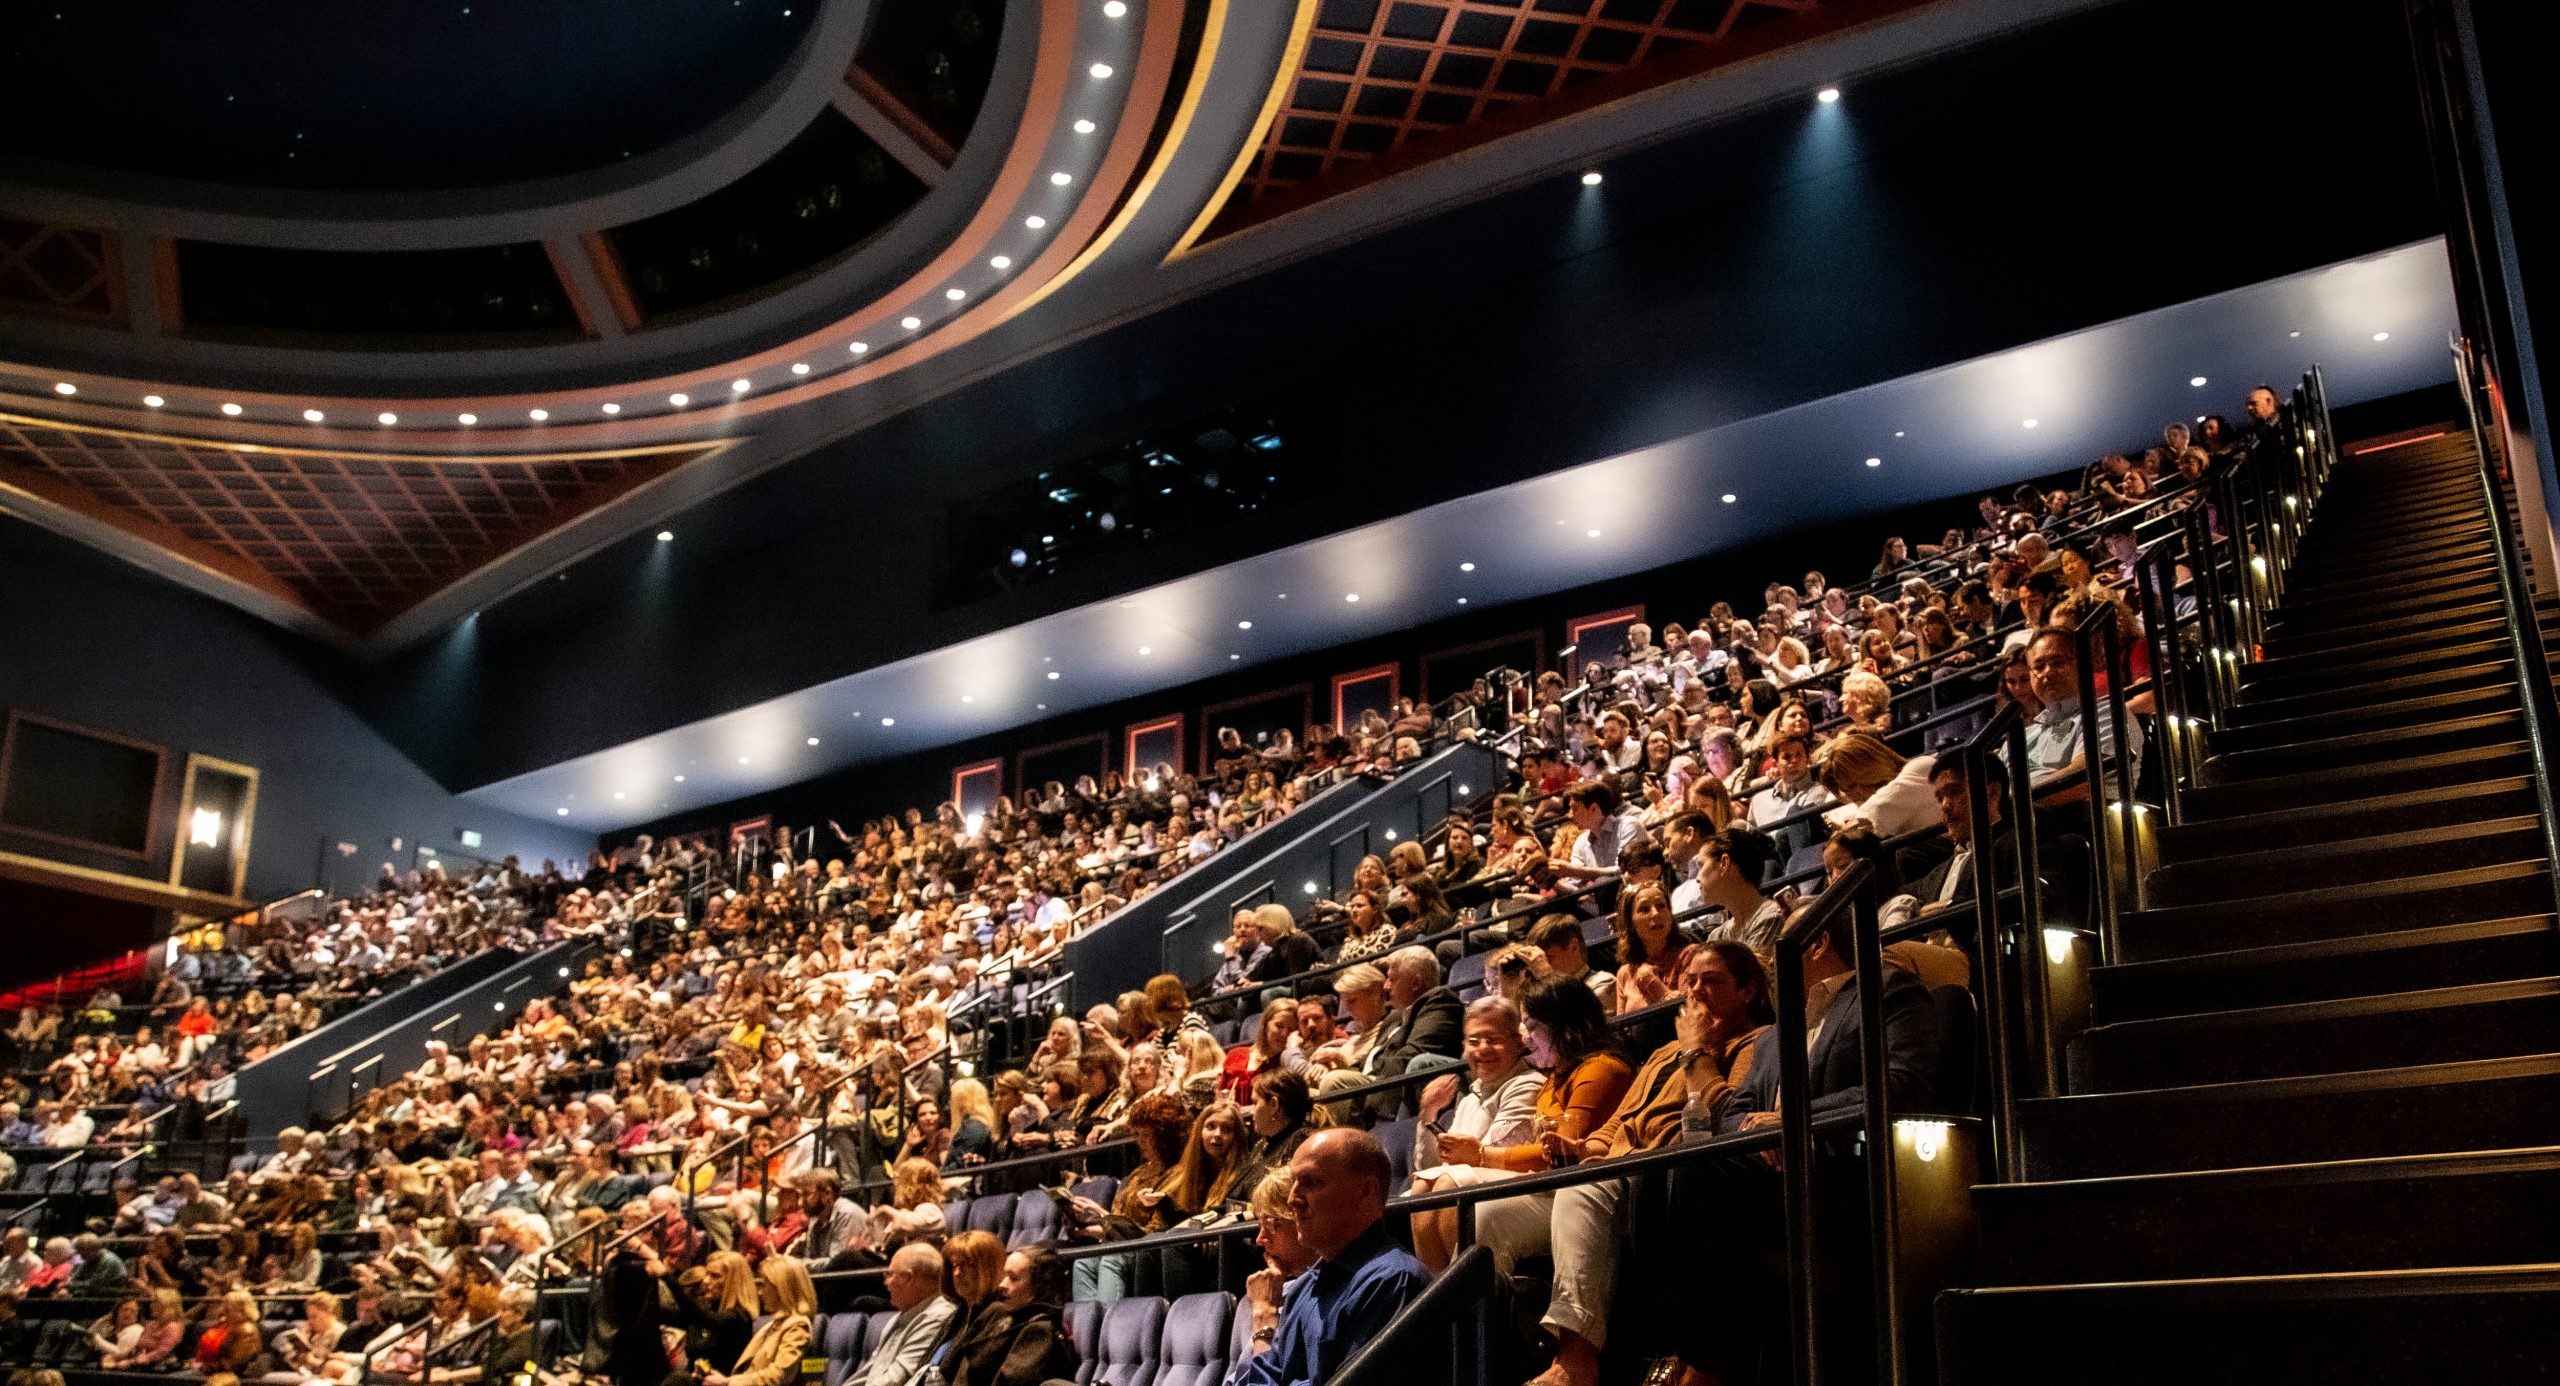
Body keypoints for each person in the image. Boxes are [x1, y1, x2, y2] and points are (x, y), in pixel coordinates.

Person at [1480, 943, 1773, 1386]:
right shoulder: (1660, 1055)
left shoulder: (1754, 1043)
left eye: (1710, 980)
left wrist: (1698, 1053)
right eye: (1689, 980)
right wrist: (1584, 1148)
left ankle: (1575, 1358)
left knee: (1583, 1188)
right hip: (1622, 1165)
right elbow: (1621, 1123)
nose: (1695, 991)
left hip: (1674, 1172)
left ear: (1748, 990)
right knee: (1490, 1207)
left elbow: (1725, 1117)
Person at [1231, 1129, 1431, 1386]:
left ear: (1366, 1191)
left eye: (1311, 1182)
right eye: (1294, 1182)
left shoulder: (1393, 1281)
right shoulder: (1304, 1287)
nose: (1293, 1199)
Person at [1404, 996, 1547, 1270]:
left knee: (1448, 1184)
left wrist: (1457, 1159)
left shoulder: (1527, 1084)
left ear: (1518, 1042)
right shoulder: (1470, 1098)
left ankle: (1463, 1297)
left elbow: (1488, 1157)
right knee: (1423, 1185)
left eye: (1493, 1039)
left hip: (1521, 1191)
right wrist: (1428, 1118)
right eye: (1473, 1041)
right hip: (1472, 1186)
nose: (1483, 1049)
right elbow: (1429, 1169)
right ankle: (1437, 1291)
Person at [939, 1232, 1082, 1386]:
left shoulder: (1040, 1330)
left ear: (1040, 1285)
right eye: (1004, 1276)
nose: (1002, 1285)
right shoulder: (995, 1313)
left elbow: (1010, 1382)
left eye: (1013, 1278)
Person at [2022, 627, 2142, 808]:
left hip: (2083, 827)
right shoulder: (2025, 734)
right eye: (2038, 667)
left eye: (2058, 662)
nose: (2047, 672)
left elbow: (2081, 782)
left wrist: (2008, 803)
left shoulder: (2108, 714)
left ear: (2084, 665)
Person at [854, 1243, 959, 1386]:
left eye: (890, 1274)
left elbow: (896, 1380)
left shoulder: (938, 1316)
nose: (886, 1282)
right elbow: (868, 1374)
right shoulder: (900, 1317)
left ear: (908, 1278)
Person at [706, 1256, 817, 1386]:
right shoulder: (771, 1325)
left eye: (764, 1285)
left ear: (780, 1289)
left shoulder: (798, 1326)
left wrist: (727, 1382)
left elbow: (779, 1376)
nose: (760, 1293)